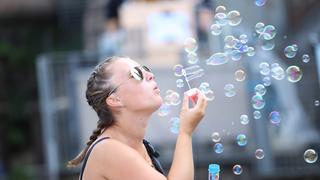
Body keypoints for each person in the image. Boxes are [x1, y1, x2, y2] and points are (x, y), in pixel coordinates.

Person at [68, 56, 208, 180]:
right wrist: (186, 132)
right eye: (136, 73)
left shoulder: (138, 146)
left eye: (145, 69)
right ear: (115, 99)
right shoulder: (109, 150)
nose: (150, 75)